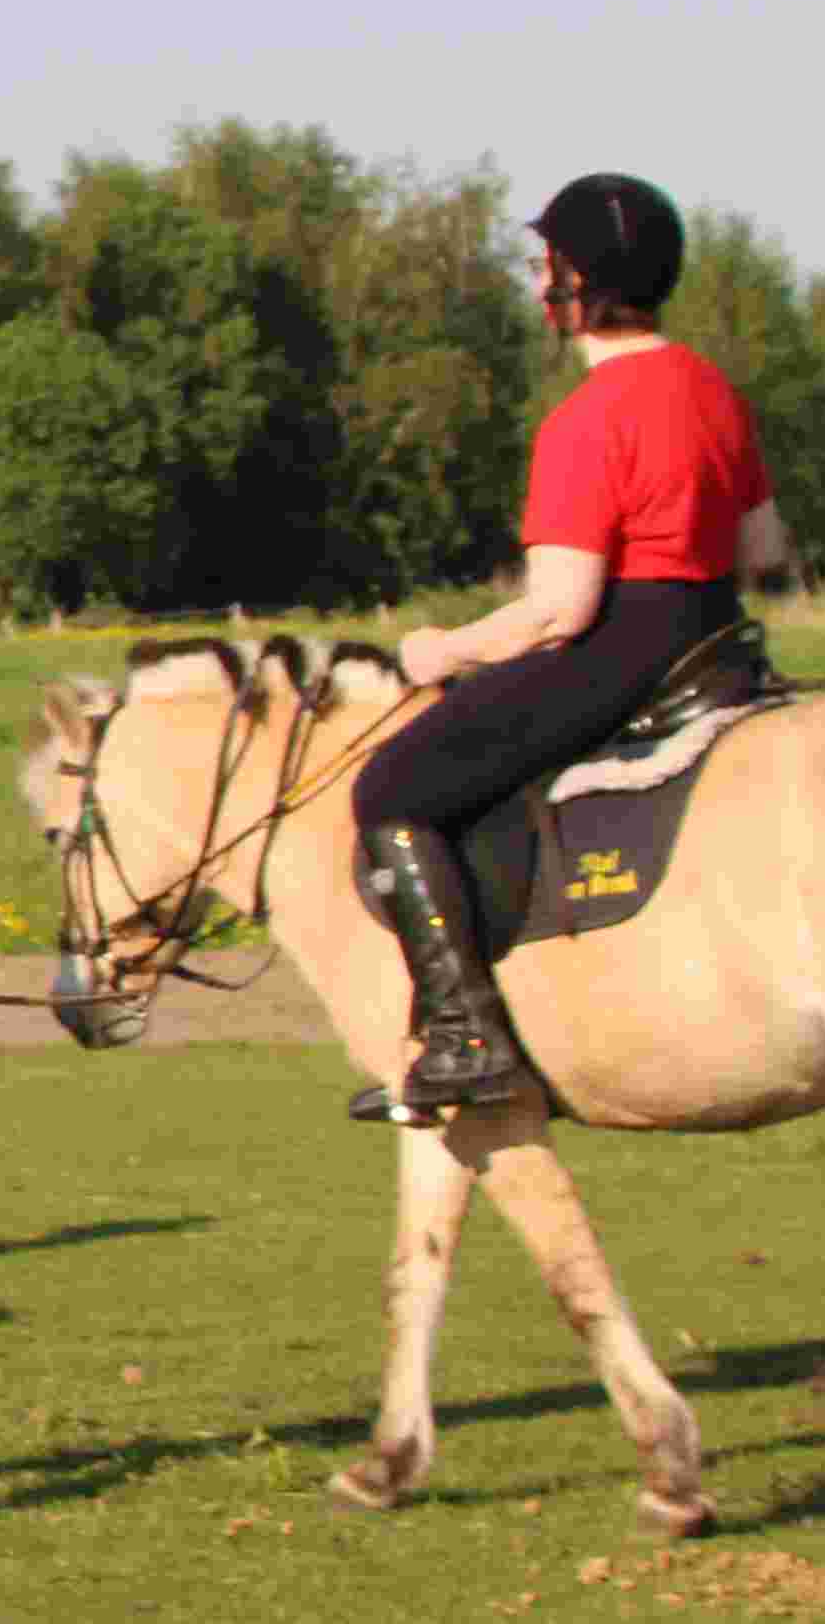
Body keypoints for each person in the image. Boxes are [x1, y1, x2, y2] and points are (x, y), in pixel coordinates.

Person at [341, 172, 797, 1124]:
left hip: (622, 646)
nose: (540, 281)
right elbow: (766, 549)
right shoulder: (715, 389)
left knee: (390, 789)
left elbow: (559, 611)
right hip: (717, 640)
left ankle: (465, 1036)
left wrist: (442, 650)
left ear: (575, 284)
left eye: (547, 265)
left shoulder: (587, 418)